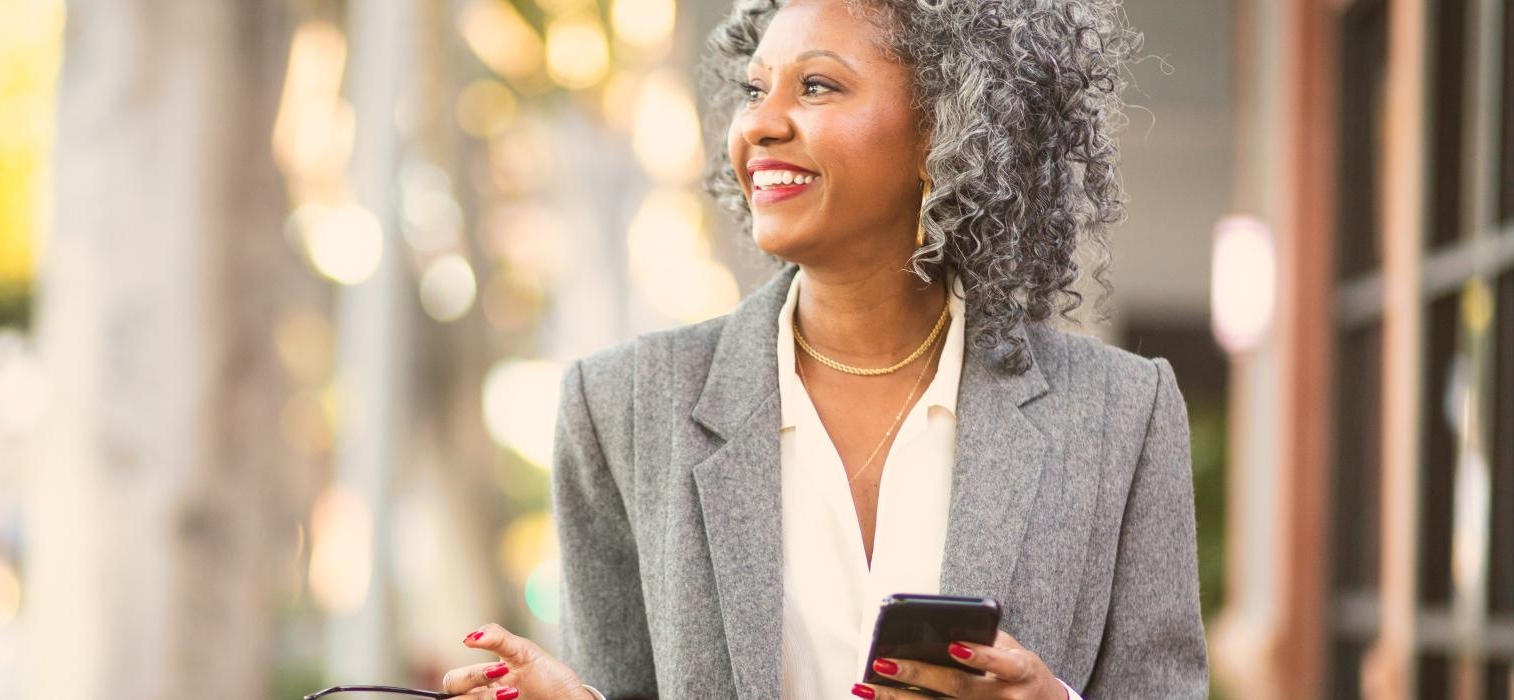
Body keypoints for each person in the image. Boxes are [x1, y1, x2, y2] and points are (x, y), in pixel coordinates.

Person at [440, 0, 1207, 697]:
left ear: (948, 127)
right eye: (754, 89)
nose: (760, 124)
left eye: (816, 87)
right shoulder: (622, 406)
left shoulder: (1121, 415)